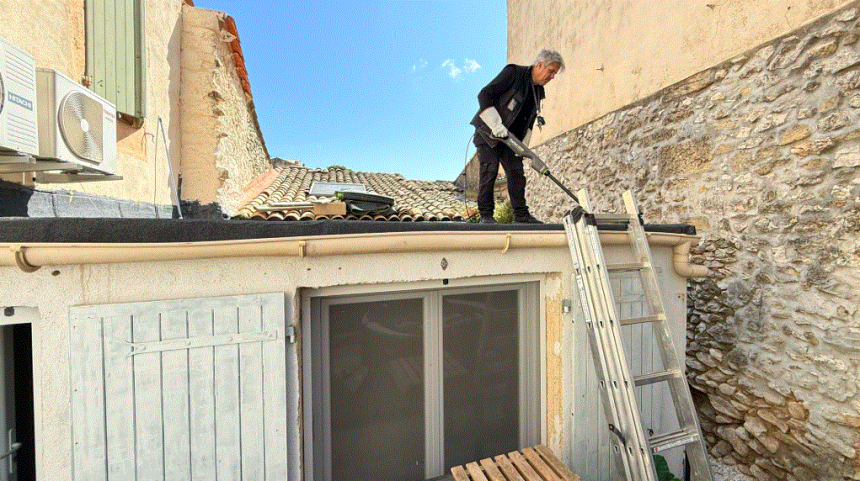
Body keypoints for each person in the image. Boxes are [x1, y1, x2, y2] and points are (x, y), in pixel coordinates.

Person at [470, 48, 564, 224]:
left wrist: (523, 147)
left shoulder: (538, 92)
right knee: (489, 170)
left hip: (510, 140)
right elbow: (484, 94)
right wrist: (495, 124)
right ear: (540, 65)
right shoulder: (514, 73)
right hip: (489, 132)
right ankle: (486, 216)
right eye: (551, 71)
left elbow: (529, 121)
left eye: (555, 74)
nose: (552, 77)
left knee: (517, 174)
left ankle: (521, 216)